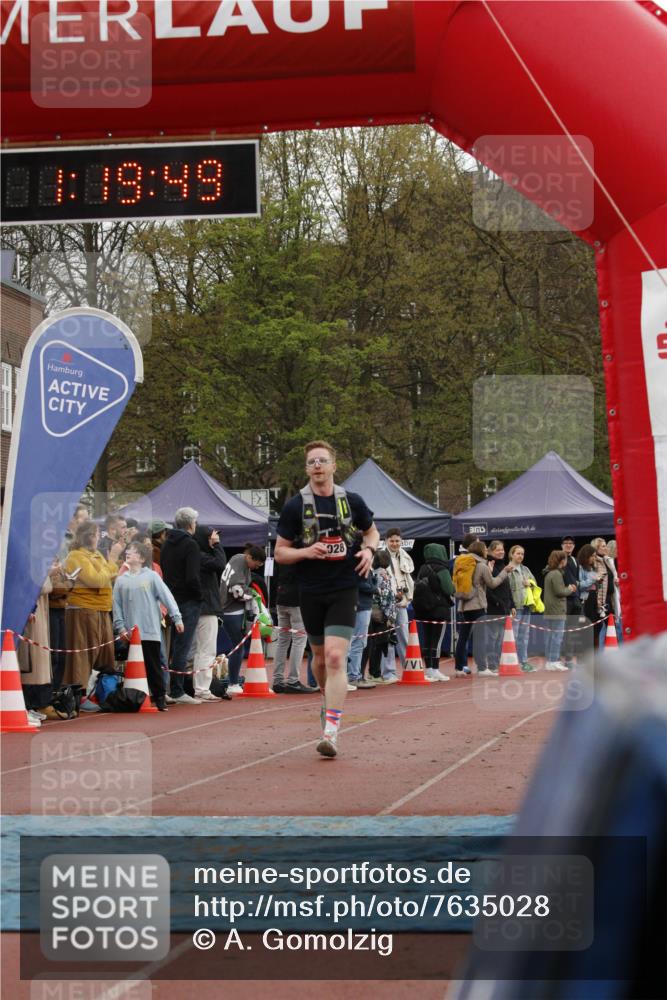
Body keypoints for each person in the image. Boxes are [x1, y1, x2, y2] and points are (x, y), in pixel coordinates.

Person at [274, 440, 379, 758]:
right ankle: (327, 698)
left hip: (344, 587)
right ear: (307, 469)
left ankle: (331, 731)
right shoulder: (295, 507)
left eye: (322, 460)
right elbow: (280, 553)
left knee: (335, 657)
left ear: (334, 465)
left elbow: (372, 532)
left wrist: (369, 550)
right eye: (311, 462)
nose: (317, 466)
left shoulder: (352, 501)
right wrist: (307, 551)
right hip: (310, 590)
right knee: (319, 659)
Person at [112, 541, 184, 710]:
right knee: (134, 666)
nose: (129, 553)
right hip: (131, 633)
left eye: (134, 551)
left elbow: (167, 596)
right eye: (128, 550)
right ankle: (135, 698)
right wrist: (120, 627)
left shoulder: (152, 576)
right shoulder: (121, 580)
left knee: (153, 665)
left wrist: (177, 617)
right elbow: (117, 605)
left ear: (142, 558)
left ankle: (159, 697)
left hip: (150, 630)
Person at [63, 520, 121, 689]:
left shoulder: (96, 555)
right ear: (89, 537)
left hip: (102, 609)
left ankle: (101, 691)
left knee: (104, 655)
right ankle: (78, 693)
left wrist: (108, 568)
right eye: (97, 535)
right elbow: (96, 580)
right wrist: (113, 560)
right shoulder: (75, 556)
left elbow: (111, 575)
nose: (99, 538)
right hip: (83, 610)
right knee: (83, 655)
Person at [160, 507, 203, 705]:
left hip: (170, 598)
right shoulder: (191, 545)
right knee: (183, 646)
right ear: (191, 524)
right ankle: (178, 690)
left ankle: (168, 687)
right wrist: (199, 595)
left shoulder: (166, 544)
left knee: (171, 645)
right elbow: (192, 576)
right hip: (188, 600)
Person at [454, 540, 512, 676]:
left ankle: (459, 668)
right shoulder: (482, 565)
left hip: (464, 606)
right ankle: (482, 668)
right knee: (480, 638)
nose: (487, 551)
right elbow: (492, 583)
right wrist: (504, 572)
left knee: (463, 637)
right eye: (485, 549)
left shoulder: (463, 563)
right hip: (478, 606)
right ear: (480, 551)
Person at [220, 544, 266, 695]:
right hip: (231, 611)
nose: (255, 568)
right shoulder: (241, 563)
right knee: (238, 647)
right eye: (256, 565)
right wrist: (252, 596)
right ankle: (233, 682)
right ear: (250, 557)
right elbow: (236, 591)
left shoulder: (237, 558)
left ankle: (233, 680)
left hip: (231, 610)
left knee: (238, 646)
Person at [190, 525, 227, 701]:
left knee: (199, 650)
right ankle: (202, 688)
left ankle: (199, 687)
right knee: (207, 649)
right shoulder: (201, 556)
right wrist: (217, 545)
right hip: (207, 607)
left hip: (199, 607)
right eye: (210, 538)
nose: (213, 540)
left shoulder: (195, 555)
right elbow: (221, 564)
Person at [415, 543, 455, 681]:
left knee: (427, 639)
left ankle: (429, 669)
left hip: (424, 609)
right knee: (436, 641)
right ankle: (435, 669)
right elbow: (449, 589)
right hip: (439, 609)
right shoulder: (442, 569)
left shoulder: (422, 568)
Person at [272, 561, 313, 694]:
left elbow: (275, 577)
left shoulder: (283, 556)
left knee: (282, 641)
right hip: (297, 601)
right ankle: (293, 680)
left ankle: (277, 680)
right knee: (299, 641)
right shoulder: (303, 557)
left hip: (281, 597)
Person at [382, 528, 414, 675]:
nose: (394, 543)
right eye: (392, 541)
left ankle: (409, 669)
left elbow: (408, 579)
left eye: (397, 541)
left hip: (402, 603)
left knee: (404, 636)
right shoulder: (380, 556)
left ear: (401, 541)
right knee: (388, 638)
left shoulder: (405, 556)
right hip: (386, 604)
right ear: (386, 541)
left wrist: (407, 598)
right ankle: (389, 672)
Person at [482, 539, 516, 673]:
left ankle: (497, 662)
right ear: (490, 551)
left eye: (502, 549)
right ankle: (492, 664)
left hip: (504, 608)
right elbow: (487, 588)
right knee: (493, 637)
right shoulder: (488, 565)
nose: (501, 552)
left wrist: (512, 605)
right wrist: (497, 602)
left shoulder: (504, 566)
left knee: (500, 638)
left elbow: (507, 588)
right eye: (498, 550)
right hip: (494, 608)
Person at [366, 549, 399, 684]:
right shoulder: (385, 575)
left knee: (372, 643)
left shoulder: (372, 573)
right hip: (381, 614)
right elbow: (386, 597)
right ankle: (375, 673)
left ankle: (372, 672)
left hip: (371, 612)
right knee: (380, 644)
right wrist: (390, 616)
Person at [542, 550, 577, 670]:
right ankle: (553, 661)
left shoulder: (549, 573)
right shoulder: (556, 574)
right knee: (557, 637)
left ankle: (550, 661)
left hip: (550, 609)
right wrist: (570, 589)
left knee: (551, 636)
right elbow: (560, 592)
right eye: (565, 559)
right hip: (557, 610)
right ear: (562, 561)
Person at [507, 544, 538, 672]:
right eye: (518, 553)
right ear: (512, 555)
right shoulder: (508, 570)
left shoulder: (525, 569)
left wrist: (529, 583)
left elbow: (535, 583)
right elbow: (506, 590)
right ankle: (512, 662)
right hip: (516, 606)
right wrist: (511, 606)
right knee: (513, 635)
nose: (520, 556)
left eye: (522, 554)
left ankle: (524, 662)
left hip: (526, 605)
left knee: (524, 636)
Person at [346, 566, 377, 690]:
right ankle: (353, 676)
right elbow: (363, 585)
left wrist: (373, 583)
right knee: (357, 642)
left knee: (358, 642)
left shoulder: (364, 566)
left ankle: (354, 675)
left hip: (361, 605)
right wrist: (375, 586)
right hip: (361, 606)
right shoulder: (360, 565)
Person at [560, 536, 580, 668]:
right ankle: (555, 659)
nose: (568, 545)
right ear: (562, 545)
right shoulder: (559, 559)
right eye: (566, 543)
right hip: (564, 599)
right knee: (561, 630)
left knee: (572, 631)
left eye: (571, 543)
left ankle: (568, 659)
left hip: (576, 599)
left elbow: (577, 578)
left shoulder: (574, 559)